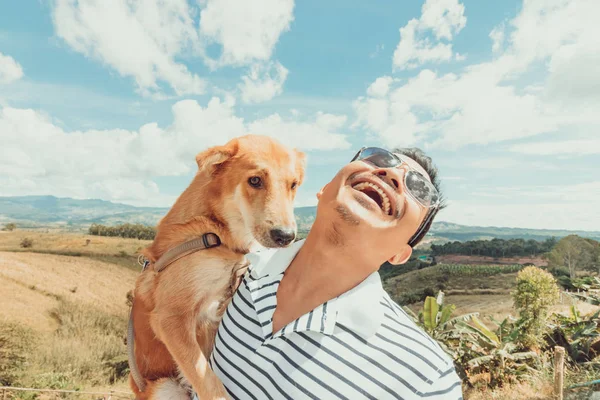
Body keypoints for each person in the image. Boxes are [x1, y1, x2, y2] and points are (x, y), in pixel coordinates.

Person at [209, 146, 463, 400]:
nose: (390, 173)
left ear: (399, 254)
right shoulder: (230, 270)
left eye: (419, 189)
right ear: (323, 190)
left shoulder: (426, 376)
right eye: (377, 158)